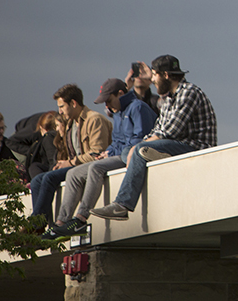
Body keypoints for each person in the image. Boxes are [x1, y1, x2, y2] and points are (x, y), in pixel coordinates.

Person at [90, 55, 217, 221]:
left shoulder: (189, 93)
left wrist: (139, 147)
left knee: (138, 150)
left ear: (165, 75)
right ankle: (156, 155)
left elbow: (170, 131)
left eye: (154, 75)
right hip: (175, 144)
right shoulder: (168, 97)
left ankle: (122, 205)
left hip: (195, 148)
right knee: (128, 150)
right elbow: (158, 128)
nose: (152, 79)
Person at [43, 78, 158, 240]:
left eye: (109, 101)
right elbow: (117, 141)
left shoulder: (138, 107)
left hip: (131, 157)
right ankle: (61, 223)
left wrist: (111, 153)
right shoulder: (118, 112)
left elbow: (140, 140)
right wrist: (108, 152)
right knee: (73, 174)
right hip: (120, 154)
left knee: (95, 168)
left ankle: (80, 219)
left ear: (120, 94)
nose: (107, 107)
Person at [28, 85, 112, 225]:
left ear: (73, 103)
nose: (59, 111)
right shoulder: (70, 124)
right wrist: (62, 163)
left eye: (62, 106)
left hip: (86, 167)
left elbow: (97, 155)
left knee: (49, 178)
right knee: (37, 181)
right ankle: (41, 226)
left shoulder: (94, 120)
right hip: (74, 167)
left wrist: (70, 163)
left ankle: (36, 224)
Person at [23, 112, 60, 179]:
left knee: (34, 167)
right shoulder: (57, 137)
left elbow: (52, 160)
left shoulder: (48, 138)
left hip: (49, 175)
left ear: (41, 127)